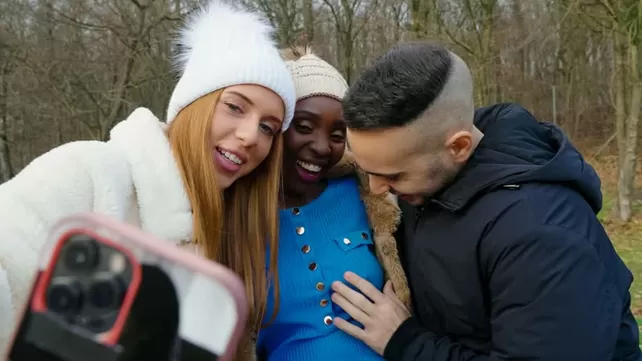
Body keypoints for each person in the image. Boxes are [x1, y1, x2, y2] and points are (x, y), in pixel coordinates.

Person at [0, 1, 296, 360]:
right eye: (234, 106)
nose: (251, 135)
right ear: (193, 104)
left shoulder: (232, 240)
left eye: (268, 127)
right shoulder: (91, 172)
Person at [329, 41, 642, 361]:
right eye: (369, 171)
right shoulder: (430, 174)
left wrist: (405, 342)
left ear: (459, 146)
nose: (378, 188)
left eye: (393, 176)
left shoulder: (544, 235)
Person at [254, 47, 411, 361]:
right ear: (277, 128)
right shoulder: (241, 213)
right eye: (304, 127)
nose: (323, 147)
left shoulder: (367, 194)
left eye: (338, 134)